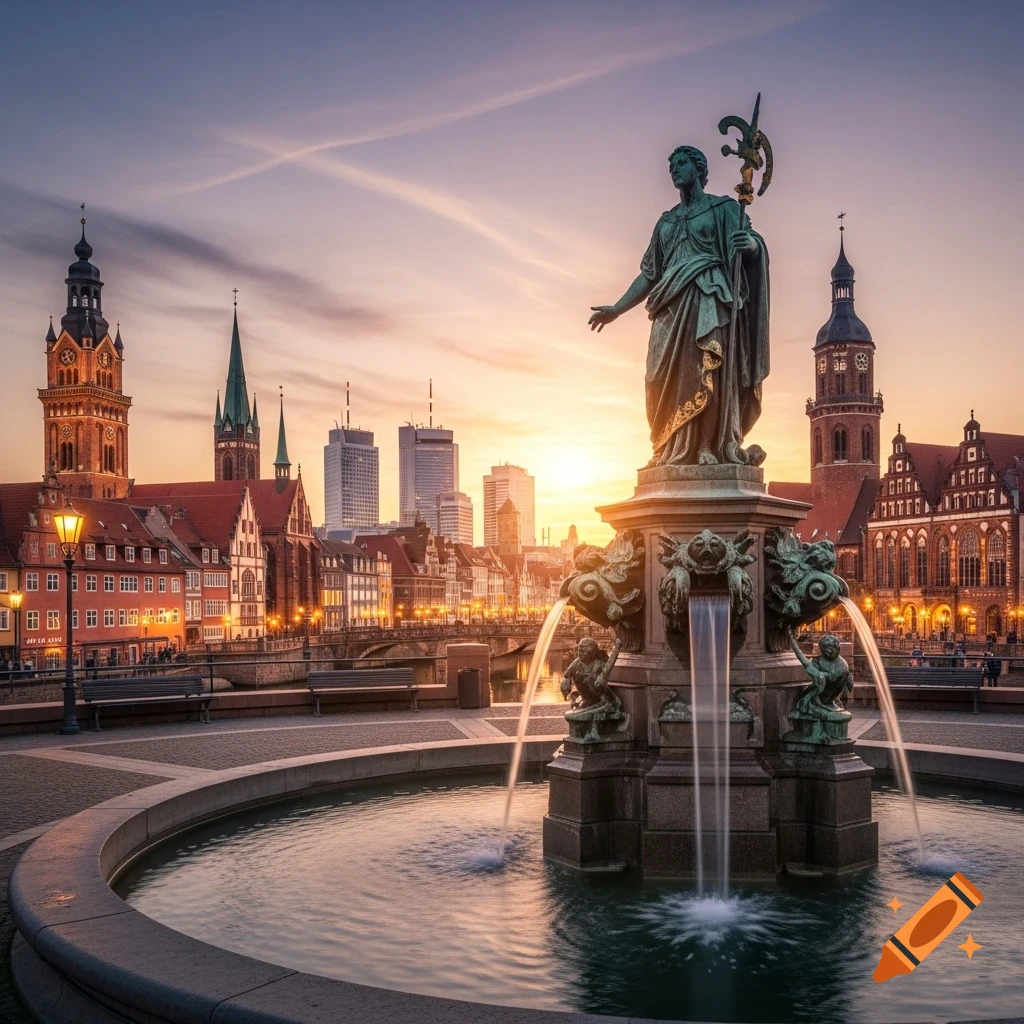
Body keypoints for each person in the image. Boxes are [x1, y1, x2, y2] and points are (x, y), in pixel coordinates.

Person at [589, 144, 769, 467]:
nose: (674, 168)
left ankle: (704, 446)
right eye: (671, 165)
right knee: (657, 380)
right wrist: (617, 309)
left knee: (706, 368)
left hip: (709, 297)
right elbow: (648, 276)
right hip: (669, 312)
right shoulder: (665, 224)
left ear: (699, 169)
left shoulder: (723, 209)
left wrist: (752, 245)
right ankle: (667, 446)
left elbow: (751, 244)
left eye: (681, 162)